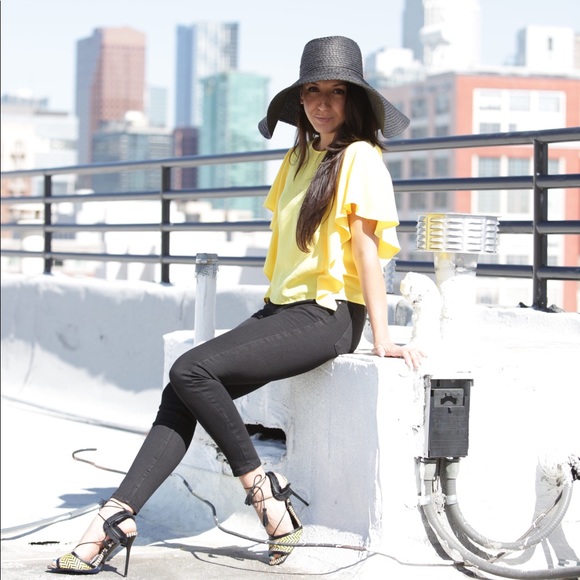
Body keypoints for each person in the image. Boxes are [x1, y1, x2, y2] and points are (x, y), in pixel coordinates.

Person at [48, 35, 425, 576]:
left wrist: (382, 337)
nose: (322, 103)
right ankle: (116, 516)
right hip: (284, 310)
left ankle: (263, 494)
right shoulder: (299, 157)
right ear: (300, 100)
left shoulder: (361, 158)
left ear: (355, 100)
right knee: (181, 391)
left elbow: (367, 251)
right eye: (312, 92)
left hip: (329, 316)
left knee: (190, 369)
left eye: (336, 92)